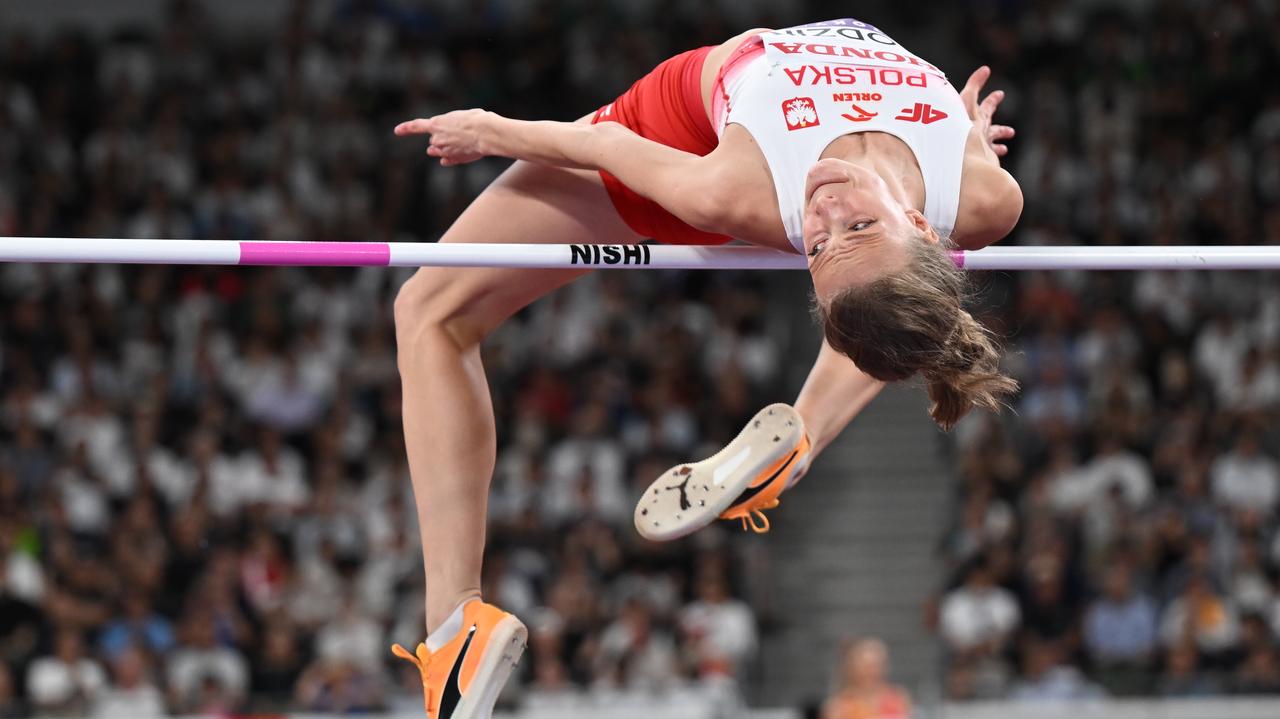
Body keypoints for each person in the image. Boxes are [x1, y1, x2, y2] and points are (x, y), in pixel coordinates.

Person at [391, 18, 1022, 718]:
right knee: (885, 306)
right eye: (859, 226)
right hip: (748, 159)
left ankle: (455, 624)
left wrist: (492, 129)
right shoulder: (984, 198)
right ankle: (802, 433)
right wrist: (968, 137)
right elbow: (911, 272)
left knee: (429, 313)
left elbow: (610, 144)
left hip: (678, 139)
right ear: (925, 223)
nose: (828, 206)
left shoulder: (747, 193)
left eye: (816, 248)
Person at [822, 638, 911, 719]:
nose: (871, 671)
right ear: (853, 667)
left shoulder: (899, 698)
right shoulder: (839, 706)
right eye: (866, 666)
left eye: (876, 665)